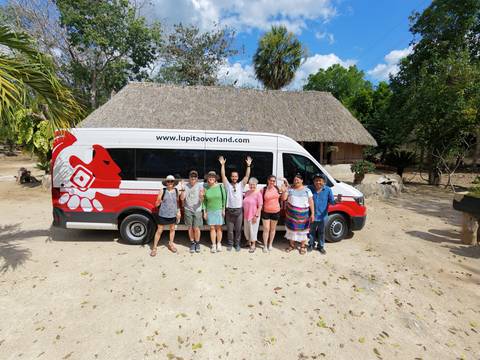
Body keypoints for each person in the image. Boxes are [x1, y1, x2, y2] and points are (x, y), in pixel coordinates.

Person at [219, 155, 252, 251]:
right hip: (229, 210)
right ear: (231, 177)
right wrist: (222, 165)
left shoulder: (241, 185)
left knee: (238, 230)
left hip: (239, 211)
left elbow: (247, 176)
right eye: (233, 176)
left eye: (236, 176)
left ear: (238, 177)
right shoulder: (227, 185)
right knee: (229, 230)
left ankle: (237, 244)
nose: (234, 177)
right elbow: (223, 175)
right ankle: (230, 244)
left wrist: (248, 166)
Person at [282, 174, 314, 255]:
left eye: (298, 180)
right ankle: (292, 245)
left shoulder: (307, 190)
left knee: (303, 231)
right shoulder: (290, 190)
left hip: (303, 216)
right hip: (291, 215)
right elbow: (283, 198)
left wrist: (313, 213)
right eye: (295, 180)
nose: (296, 181)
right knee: (291, 231)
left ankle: (303, 246)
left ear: (302, 180)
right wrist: (285, 190)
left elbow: (311, 202)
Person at [150, 175, 181, 256]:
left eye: (171, 181)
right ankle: (154, 248)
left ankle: (171, 244)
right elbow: (157, 204)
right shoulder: (162, 190)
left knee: (172, 229)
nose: (170, 183)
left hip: (172, 214)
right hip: (163, 214)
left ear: (174, 183)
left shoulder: (176, 191)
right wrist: (158, 202)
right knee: (159, 230)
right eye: (168, 181)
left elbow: (177, 203)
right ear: (166, 183)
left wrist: (178, 212)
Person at [307, 173, 335, 254]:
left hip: (323, 216)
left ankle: (321, 246)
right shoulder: (309, 188)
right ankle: (311, 245)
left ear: (324, 182)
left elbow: (332, 202)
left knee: (321, 232)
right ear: (313, 181)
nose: (318, 182)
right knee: (311, 232)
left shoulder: (328, 190)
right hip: (312, 215)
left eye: (320, 180)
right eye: (316, 180)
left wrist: (337, 201)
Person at [180, 170, 204, 253]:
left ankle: (197, 243)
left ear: (197, 178)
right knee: (190, 227)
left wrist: (201, 196)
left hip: (197, 210)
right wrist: (182, 188)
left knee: (196, 228)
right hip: (188, 210)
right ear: (189, 178)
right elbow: (182, 198)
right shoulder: (185, 186)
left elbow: (202, 199)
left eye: (195, 177)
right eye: (191, 177)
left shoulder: (200, 186)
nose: (193, 178)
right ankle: (192, 243)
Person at [202, 171, 227, 253]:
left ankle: (219, 243)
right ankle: (213, 244)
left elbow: (224, 199)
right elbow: (204, 201)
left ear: (215, 178)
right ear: (207, 179)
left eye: (213, 177)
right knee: (212, 228)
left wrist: (223, 209)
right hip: (209, 210)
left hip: (219, 210)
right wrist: (204, 211)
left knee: (219, 228)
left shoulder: (220, 187)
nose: (211, 178)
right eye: (209, 177)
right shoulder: (205, 188)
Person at [261, 175, 286, 252]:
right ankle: (265, 245)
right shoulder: (263, 189)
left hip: (276, 211)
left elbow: (283, 198)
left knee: (272, 229)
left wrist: (284, 191)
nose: (272, 182)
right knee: (266, 229)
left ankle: (270, 244)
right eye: (270, 180)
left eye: (273, 181)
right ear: (268, 180)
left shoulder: (277, 188)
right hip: (266, 212)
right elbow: (260, 200)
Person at [242, 177, 263, 253]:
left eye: (253, 185)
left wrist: (256, 216)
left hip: (254, 215)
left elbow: (260, 206)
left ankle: (253, 244)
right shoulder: (247, 192)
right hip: (246, 215)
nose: (252, 186)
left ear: (256, 185)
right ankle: (248, 242)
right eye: (250, 185)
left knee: (253, 230)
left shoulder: (258, 193)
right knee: (247, 230)